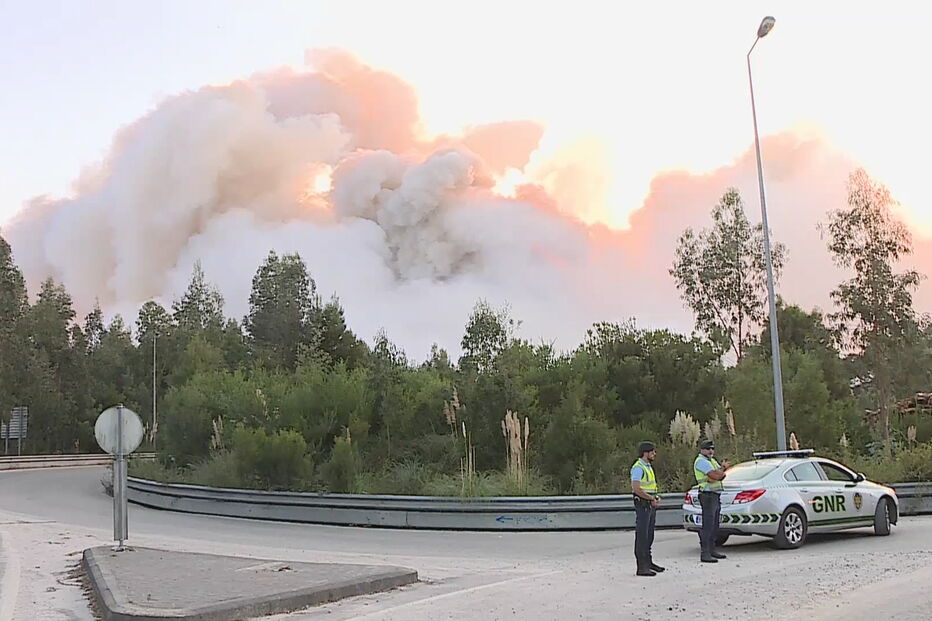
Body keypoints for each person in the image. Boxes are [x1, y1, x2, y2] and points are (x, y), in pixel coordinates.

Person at [631, 441, 664, 576]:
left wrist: (656, 498)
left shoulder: (648, 466)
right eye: (653, 452)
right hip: (643, 504)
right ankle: (641, 567)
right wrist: (651, 499)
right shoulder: (638, 467)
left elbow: (650, 487)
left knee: (649, 535)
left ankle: (648, 562)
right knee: (642, 535)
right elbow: (636, 488)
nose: (654, 454)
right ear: (646, 452)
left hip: (649, 504)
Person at [694, 440, 730, 563]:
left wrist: (719, 473)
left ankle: (712, 550)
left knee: (714, 525)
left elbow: (719, 475)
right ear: (702, 450)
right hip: (707, 495)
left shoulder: (712, 461)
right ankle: (705, 553)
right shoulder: (701, 462)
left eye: (712, 449)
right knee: (708, 525)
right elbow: (716, 476)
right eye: (708, 449)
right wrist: (721, 470)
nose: (711, 451)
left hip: (715, 494)